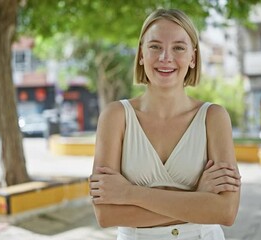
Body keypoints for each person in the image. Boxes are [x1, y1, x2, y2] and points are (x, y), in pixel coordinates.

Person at [89, 8, 241, 240]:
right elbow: (106, 215)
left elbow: (226, 212)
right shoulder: (115, 117)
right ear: (141, 54)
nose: (165, 57)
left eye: (178, 47)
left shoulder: (214, 118)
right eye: (155, 46)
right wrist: (197, 199)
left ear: (193, 57)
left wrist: (129, 193)